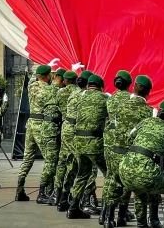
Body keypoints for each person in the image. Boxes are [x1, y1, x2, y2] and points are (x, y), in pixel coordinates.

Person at [119, 99, 164, 228]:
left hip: (125, 169)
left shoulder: (146, 121)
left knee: (139, 189)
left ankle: (141, 224)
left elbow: (130, 137)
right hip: (146, 172)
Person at [103, 74, 155, 228]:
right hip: (134, 155)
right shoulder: (150, 111)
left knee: (114, 183)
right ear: (148, 92)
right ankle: (129, 218)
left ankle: (108, 219)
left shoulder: (119, 106)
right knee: (137, 188)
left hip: (116, 151)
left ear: (135, 87)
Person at [15, 64, 60, 204]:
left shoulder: (31, 87)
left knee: (27, 158)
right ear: (48, 76)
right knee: (50, 160)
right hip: (42, 126)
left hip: (31, 124)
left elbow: (32, 78)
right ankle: (43, 191)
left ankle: (19, 189)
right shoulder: (50, 89)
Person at [68, 74, 108, 220]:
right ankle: (107, 212)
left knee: (82, 174)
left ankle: (73, 207)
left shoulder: (79, 97)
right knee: (109, 174)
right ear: (100, 87)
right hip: (94, 142)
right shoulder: (104, 98)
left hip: (78, 141)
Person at [56, 69, 93, 213]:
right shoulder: (86, 96)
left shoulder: (72, 94)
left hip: (66, 128)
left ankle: (63, 198)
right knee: (86, 165)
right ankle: (86, 200)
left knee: (70, 163)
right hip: (77, 131)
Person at [51, 70, 79, 206]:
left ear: (65, 81)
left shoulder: (60, 92)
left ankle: (56, 193)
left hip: (64, 127)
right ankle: (67, 194)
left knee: (61, 161)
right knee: (74, 162)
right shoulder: (79, 93)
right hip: (75, 129)